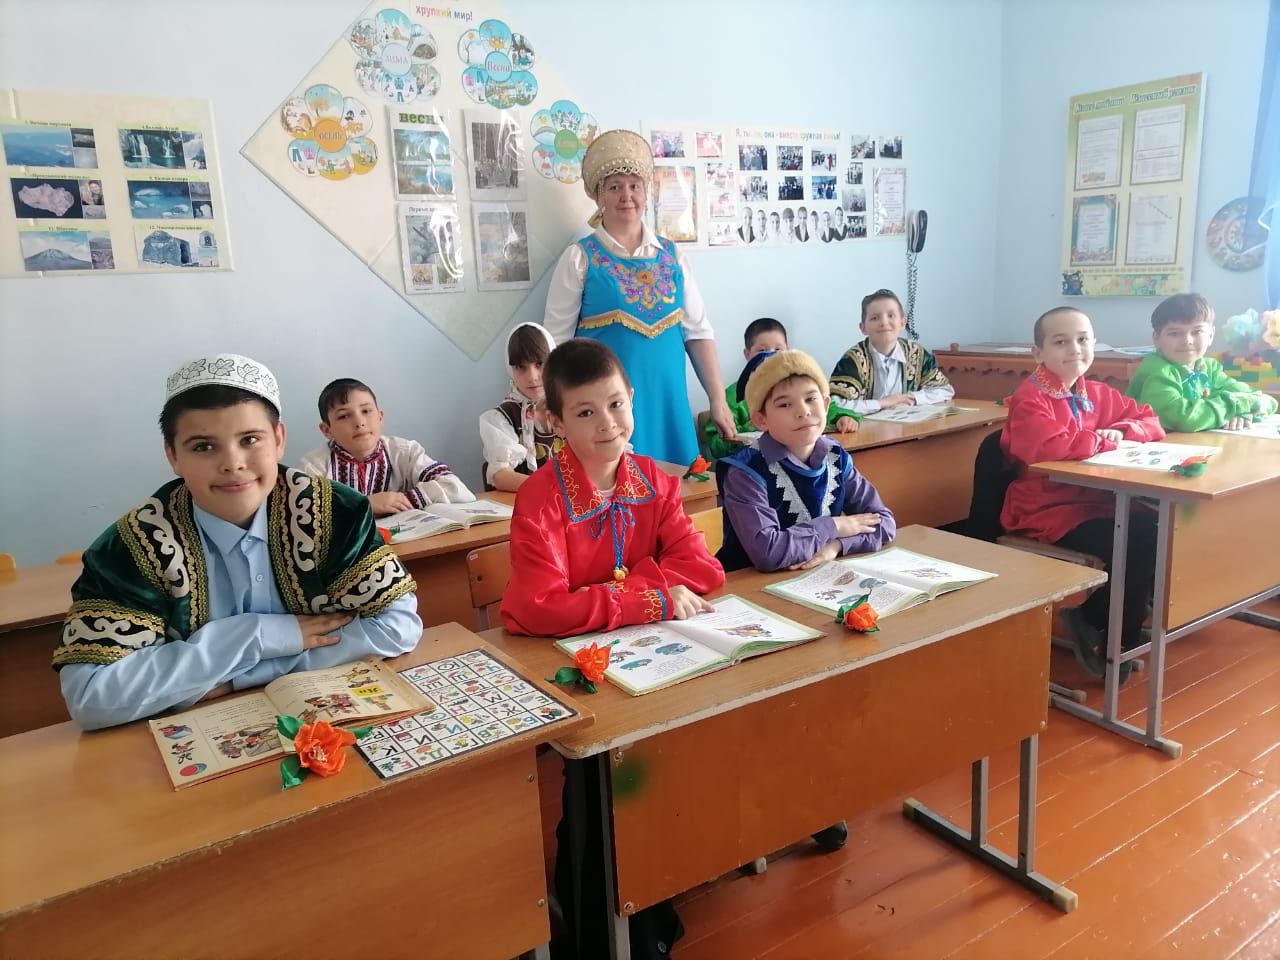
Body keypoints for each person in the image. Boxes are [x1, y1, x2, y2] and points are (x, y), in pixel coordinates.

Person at [500, 339, 724, 960]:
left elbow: (704, 571)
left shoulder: (653, 478)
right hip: (578, 672)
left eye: (616, 404)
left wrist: (613, 593)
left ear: (633, 400)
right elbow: (535, 608)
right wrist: (647, 597)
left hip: (654, 659)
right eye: (585, 412)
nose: (607, 424)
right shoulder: (541, 497)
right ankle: (597, 922)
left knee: (669, 770)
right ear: (554, 421)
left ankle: (656, 896)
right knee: (601, 791)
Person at [53, 354, 421, 730]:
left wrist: (233, 679)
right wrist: (257, 635)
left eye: (249, 440)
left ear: (279, 440)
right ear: (173, 456)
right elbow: (90, 696)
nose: (232, 463)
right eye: (203, 447)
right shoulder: (135, 545)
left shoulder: (332, 512)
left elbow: (397, 625)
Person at [543, 129, 734, 465]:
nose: (626, 196)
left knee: (677, 488)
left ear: (647, 192)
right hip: (606, 414)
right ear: (599, 196)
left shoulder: (672, 256)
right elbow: (554, 343)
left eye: (634, 186)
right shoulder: (580, 258)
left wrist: (717, 400)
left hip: (669, 405)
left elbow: (698, 332)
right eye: (614, 187)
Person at [1001, 308, 1165, 679]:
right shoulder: (1031, 398)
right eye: (1061, 341)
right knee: (1136, 540)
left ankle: (1100, 617)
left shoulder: (1098, 393)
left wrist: (1122, 430)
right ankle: (1114, 635)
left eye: (1083, 339)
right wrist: (1103, 441)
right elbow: (1050, 447)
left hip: (1099, 502)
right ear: (1038, 352)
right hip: (1048, 509)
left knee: (1158, 527)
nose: (1074, 349)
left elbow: (1149, 420)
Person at [717, 349, 894, 573]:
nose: (803, 411)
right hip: (746, 584)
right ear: (761, 420)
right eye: (785, 404)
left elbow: (884, 522)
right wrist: (834, 526)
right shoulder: (746, 472)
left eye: (811, 399)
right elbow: (768, 553)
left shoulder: (836, 457)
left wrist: (837, 546)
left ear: (826, 405)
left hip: (816, 578)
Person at [300, 378, 474, 515]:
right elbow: (305, 517)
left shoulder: (405, 452)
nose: (359, 422)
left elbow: (455, 487)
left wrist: (401, 500)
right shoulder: (314, 467)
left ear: (380, 417)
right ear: (327, 430)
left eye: (366, 411)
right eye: (344, 416)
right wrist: (365, 505)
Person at [704, 318, 860, 460]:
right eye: (762, 351)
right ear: (747, 354)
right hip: (756, 462)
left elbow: (828, 407)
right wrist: (751, 428)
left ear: (787, 350)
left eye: (778, 350)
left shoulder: (800, 386)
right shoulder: (732, 396)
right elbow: (716, 444)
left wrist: (843, 417)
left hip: (803, 457)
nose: (771, 356)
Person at [1125, 293, 1278, 431]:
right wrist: (1236, 405)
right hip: (1154, 446)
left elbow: (1266, 401)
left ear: (1211, 335)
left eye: (1197, 332)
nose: (1187, 341)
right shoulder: (1157, 371)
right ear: (1157, 339)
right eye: (1174, 333)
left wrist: (1243, 412)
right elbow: (1184, 418)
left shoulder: (1207, 366)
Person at [829, 288, 955, 414]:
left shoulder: (916, 353)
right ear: (863, 328)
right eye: (874, 318)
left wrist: (910, 398)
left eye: (891, 316)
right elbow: (833, 404)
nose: (884, 323)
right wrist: (882, 403)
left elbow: (945, 390)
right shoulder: (853, 360)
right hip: (866, 426)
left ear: (903, 323)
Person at [479, 322, 558, 491]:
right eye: (521, 367)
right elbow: (501, 476)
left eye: (540, 363)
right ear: (511, 370)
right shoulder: (502, 418)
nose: (532, 377)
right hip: (527, 503)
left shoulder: (572, 407)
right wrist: (551, 489)